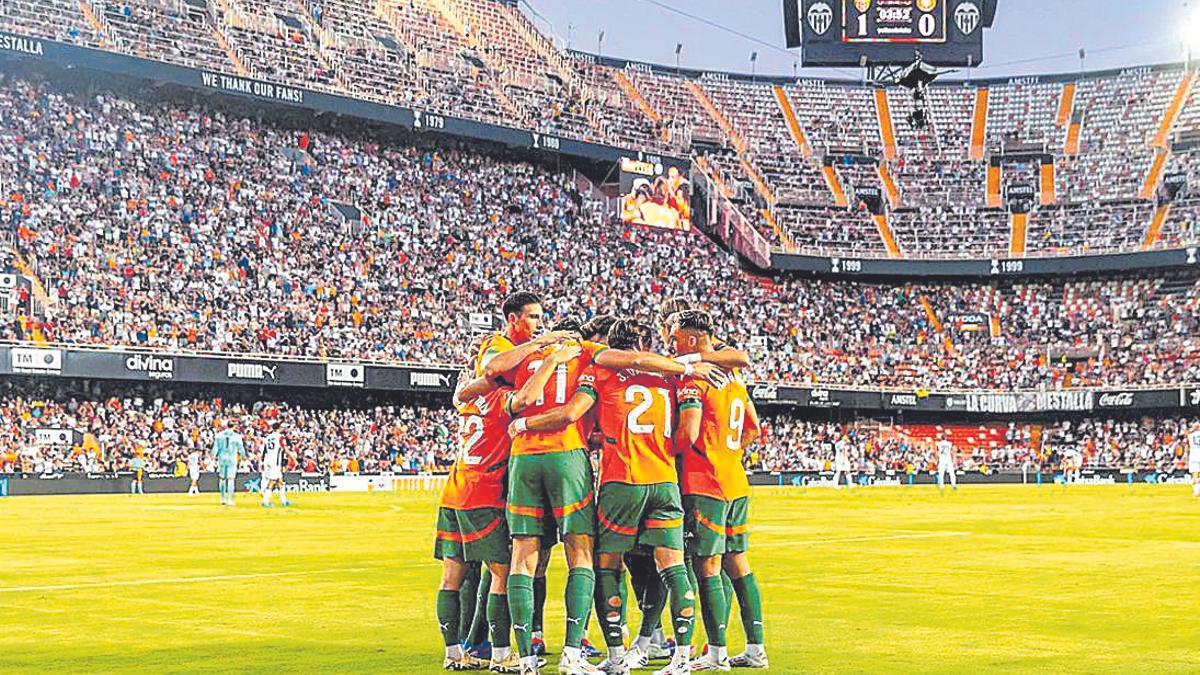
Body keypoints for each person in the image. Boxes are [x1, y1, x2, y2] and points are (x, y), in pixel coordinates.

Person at [510, 319, 698, 675]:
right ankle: (681, 659)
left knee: (606, 565)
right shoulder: (673, 376)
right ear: (644, 345)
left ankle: (615, 656)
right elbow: (688, 433)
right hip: (664, 479)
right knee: (673, 567)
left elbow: (571, 413)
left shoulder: (600, 372)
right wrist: (659, 449)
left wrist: (523, 423)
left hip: (620, 480)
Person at [672, 310, 768, 671]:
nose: (672, 346)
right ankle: (756, 649)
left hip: (705, 484)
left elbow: (689, 433)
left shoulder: (696, 378)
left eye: (676, 339)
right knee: (738, 562)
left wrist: (665, 453)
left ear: (691, 339)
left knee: (708, 567)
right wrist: (728, 454)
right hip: (735, 481)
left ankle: (716, 654)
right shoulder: (735, 379)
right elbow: (753, 428)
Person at [211, 420, 244, 506]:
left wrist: (213, 457)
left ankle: (222, 498)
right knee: (230, 479)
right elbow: (241, 448)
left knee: (222, 478)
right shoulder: (237, 436)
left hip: (222, 458)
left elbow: (215, 448)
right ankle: (229, 499)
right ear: (234, 426)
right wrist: (244, 457)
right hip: (232, 458)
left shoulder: (219, 435)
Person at [260, 422, 292, 508]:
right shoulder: (280, 437)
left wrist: (262, 461)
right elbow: (285, 449)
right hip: (275, 461)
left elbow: (265, 450)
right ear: (279, 428)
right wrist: (293, 459)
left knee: (279, 480)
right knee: (272, 481)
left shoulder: (268, 437)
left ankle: (284, 501)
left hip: (268, 460)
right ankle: (265, 501)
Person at [1187, 421, 1200, 498]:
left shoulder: (1191, 435)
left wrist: (1193, 429)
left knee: (1195, 474)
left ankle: (1196, 492)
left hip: (1194, 456)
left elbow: (1187, 433)